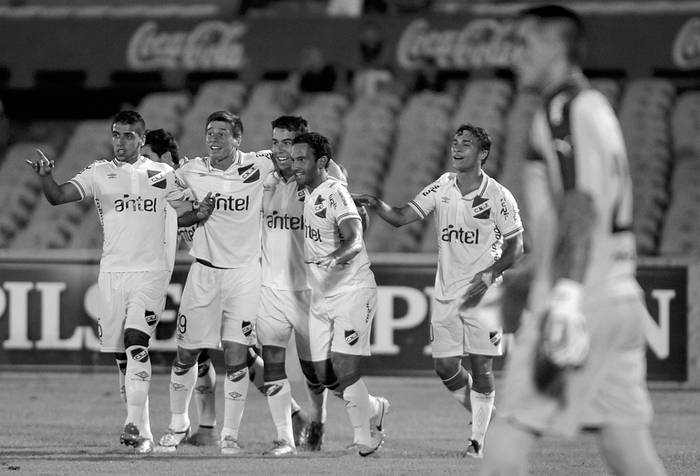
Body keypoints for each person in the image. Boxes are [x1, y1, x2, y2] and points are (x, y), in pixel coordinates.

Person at [481, 5, 667, 476]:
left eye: (523, 43)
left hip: (582, 301)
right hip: (620, 298)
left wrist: (564, 296)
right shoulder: (596, 105)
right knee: (629, 449)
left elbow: (578, 206)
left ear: (554, 46)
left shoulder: (563, 108)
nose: (514, 55)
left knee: (510, 431)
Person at [25, 111, 194, 454]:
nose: (120, 141)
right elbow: (57, 197)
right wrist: (46, 177)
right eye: (116, 134)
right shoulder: (99, 173)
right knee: (121, 356)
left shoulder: (163, 174)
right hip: (112, 274)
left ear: (142, 140)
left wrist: (199, 212)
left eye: (129, 135)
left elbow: (185, 211)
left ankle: (132, 424)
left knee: (136, 344)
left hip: (150, 273)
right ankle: (143, 432)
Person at [354, 124, 524, 457]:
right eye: (455, 143)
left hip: (484, 295)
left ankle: (479, 441)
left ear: (483, 154)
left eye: (467, 144)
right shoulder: (443, 185)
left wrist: (490, 275)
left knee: (482, 368)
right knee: (445, 367)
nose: (457, 148)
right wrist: (375, 203)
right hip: (446, 294)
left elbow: (517, 245)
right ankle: (486, 418)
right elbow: (403, 217)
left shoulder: (498, 195)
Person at [258, 116, 355, 455]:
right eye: (276, 142)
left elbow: (349, 226)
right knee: (271, 361)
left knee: (319, 373)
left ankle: (360, 410)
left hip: (310, 290)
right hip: (271, 288)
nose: (280, 149)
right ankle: (285, 437)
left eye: (288, 142)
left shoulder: (327, 179)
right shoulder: (265, 177)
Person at [291, 132, 389, 457]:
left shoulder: (334, 192)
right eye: (293, 159)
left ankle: (365, 438)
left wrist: (337, 256)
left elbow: (356, 237)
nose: (295, 165)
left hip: (351, 290)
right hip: (322, 296)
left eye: (302, 159)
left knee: (346, 370)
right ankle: (374, 408)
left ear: (321, 162)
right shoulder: (308, 192)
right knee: (323, 374)